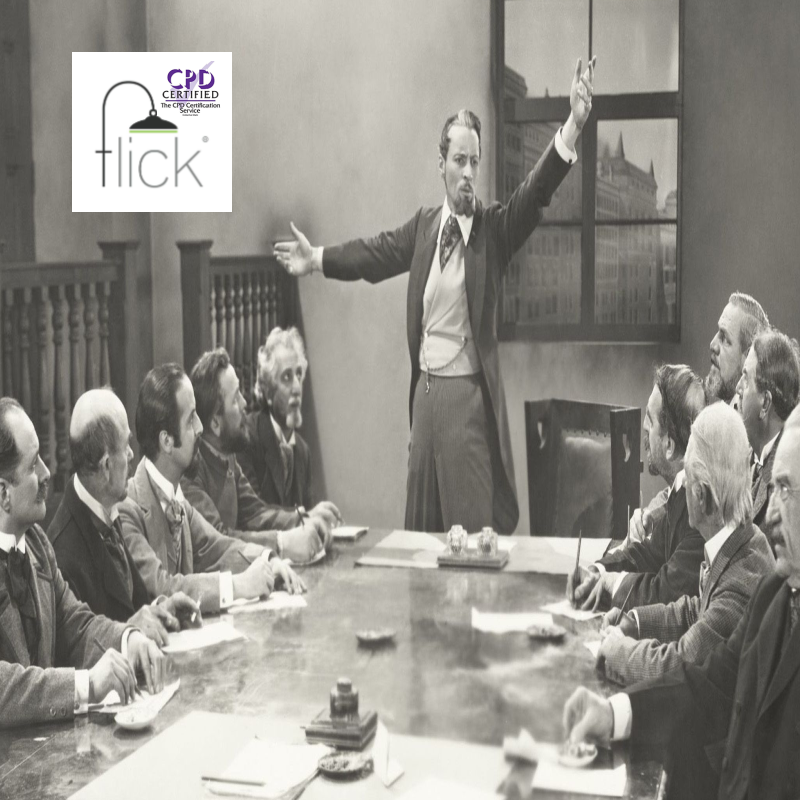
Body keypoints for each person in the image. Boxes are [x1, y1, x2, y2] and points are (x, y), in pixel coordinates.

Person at [275, 58, 596, 534]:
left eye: (475, 162)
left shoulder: (494, 229)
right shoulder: (424, 227)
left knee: (470, 539)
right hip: (424, 403)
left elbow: (535, 193)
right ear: (441, 164)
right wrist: (317, 258)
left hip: (468, 405)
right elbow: (374, 254)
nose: (468, 172)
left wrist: (573, 124)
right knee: (421, 538)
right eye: (459, 160)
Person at [563, 401, 800, 799]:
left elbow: (688, 659)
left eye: (787, 491)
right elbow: (707, 685)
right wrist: (613, 712)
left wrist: (621, 649)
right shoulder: (774, 594)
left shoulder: (757, 575)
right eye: (773, 489)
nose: (772, 512)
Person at [0, 398, 164, 727]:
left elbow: (76, 624)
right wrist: (86, 685)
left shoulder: (37, 545)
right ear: (4, 493)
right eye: (33, 466)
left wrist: (128, 640)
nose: (47, 473)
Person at [594, 402, 775, 687]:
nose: (681, 488)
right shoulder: (740, 542)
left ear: (701, 496)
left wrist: (621, 653)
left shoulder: (742, 580)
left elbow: (683, 664)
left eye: (686, 478)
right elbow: (694, 612)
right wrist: (635, 622)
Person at [118, 364, 305, 618]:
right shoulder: (127, 510)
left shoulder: (178, 502)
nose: (200, 427)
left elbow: (219, 547)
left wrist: (268, 560)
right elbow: (161, 587)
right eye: (191, 419)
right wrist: (238, 586)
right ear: (167, 441)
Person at [48, 388, 201, 646]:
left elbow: (130, 607)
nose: (132, 454)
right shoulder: (62, 553)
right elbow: (82, 648)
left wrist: (162, 609)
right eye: (125, 445)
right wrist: (130, 631)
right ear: (106, 466)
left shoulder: (106, 504)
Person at [627, 292, 770, 543]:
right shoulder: (721, 415)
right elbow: (686, 479)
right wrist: (651, 514)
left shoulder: (760, 444)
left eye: (725, 339)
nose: (712, 344)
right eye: (717, 334)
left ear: (748, 357)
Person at [568, 365, 705, 610]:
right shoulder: (680, 491)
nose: (643, 426)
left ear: (669, 446)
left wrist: (609, 585)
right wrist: (597, 571)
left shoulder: (699, 505)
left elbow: (664, 592)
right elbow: (646, 554)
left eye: (650, 420)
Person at [182, 348, 335, 563]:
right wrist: (281, 543)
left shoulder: (227, 456)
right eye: (235, 398)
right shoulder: (190, 472)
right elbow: (218, 540)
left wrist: (302, 519)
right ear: (215, 423)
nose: (245, 404)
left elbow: (255, 513)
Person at [240, 327, 339, 523]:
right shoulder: (248, 438)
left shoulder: (302, 451)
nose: (296, 388)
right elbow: (254, 516)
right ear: (268, 391)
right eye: (287, 377)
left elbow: (309, 522)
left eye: (299, 375)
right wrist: (304, 516)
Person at [736, 328, 800, 527]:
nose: (738, 388)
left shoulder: (789, 476)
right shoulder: (742, 462)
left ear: (765, 403)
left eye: (745, 378)